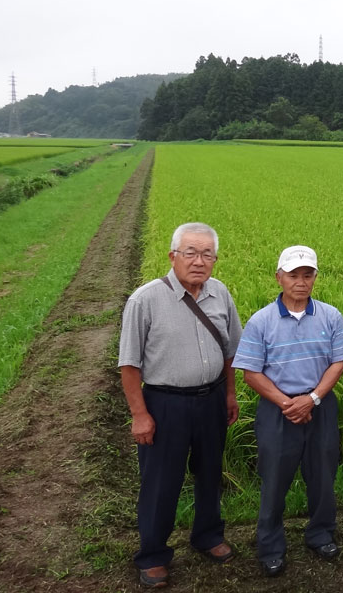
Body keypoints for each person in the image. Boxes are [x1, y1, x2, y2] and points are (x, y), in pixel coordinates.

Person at [118, 222, 242, 589]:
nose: (199, 261)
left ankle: (207, 535)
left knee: (209, 472)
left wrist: (230, 395)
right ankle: (153, 554)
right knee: (161, 482)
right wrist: (140, 415)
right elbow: (129, 364)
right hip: (164, 404)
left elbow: (232, 353)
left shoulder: (220, 293)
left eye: (207, 254)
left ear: (215, 260)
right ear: (172, 256)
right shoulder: (145, 299)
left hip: (212, 399)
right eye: (190, 252)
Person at [232, 245, 343, 577]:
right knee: (274, 479)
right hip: (278, 410)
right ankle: (270, 546)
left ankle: (321, 533)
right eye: (293, 275)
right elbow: (251, 373)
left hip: (320, 406)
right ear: (279, 277)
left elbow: (337, 363)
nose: (301, 282)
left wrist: (312, 398)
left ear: (315, 277)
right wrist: (288, 403)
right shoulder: (261, 321)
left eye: (307, 275)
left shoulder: (330, 316)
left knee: (323, 474)